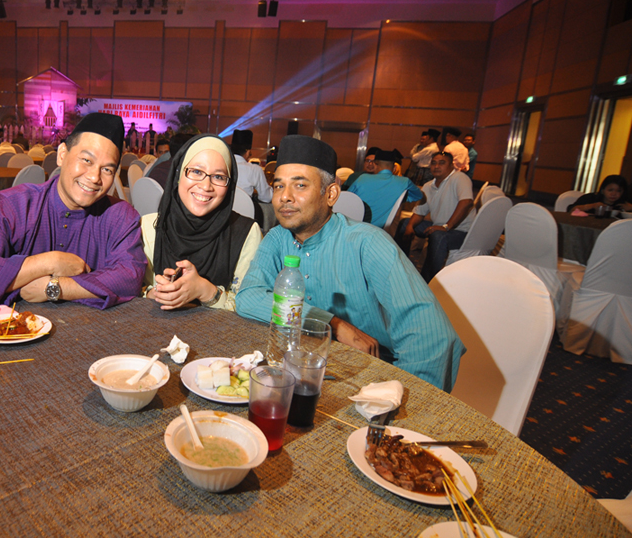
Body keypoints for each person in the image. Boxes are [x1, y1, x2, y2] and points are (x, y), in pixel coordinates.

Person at [236, 135, 464, 391]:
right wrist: (332, 323)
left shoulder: (368, 243)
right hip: (302, 372)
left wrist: (397, 396)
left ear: (330, 194)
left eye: (300, 185)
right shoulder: (277, 238)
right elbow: (248, 297)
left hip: (370, 376)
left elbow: (432, 338)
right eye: (278, 186)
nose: (284, 197)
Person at [0, 113, 147, 308]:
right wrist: (48, 262)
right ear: (62, 155)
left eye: (107, 170)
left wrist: (56, 288)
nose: (95, 177)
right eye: (87, 160)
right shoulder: (11, 206)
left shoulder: (120, 215)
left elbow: (130, 277)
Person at [142, 134, 262, 311]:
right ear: (178, 174)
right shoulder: (148, 227)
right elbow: (129, 292)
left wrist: (205, 291)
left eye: (219, 177)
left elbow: (252, 307)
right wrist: (155, 293)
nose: (206, 186)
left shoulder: (245, 233)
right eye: (197, 172)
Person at [395, 152, 476, 283]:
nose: (437, 166)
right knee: (405, 224)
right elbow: (420, 212)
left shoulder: (459, 178)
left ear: (451, 165)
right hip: (439, 227)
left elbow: (466, 202)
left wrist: (446, 226)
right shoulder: (428, 186)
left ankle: (428, 281)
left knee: (437, 235)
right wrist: (410, 226)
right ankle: (400, 268)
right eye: (434, 163)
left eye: (442, 163)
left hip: (462, 232)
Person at [348, 149, 422, 228]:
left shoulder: (362, 178)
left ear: (375, 164)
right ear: (394, 167)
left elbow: (348, 198)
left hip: (355, 226)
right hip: (381, 230)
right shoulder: (404, 182)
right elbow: (419, 196)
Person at [230, 129, 272, 203]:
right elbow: (266, 198)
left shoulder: (222, 166)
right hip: (245, 209)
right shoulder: (255, 169)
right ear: (248, 152)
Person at [567, 175, 632, 213]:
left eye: (618, 191)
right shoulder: (590, 198)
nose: (614, 194)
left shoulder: (625, 203)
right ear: (602, 190)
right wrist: (592, 206)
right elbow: (570, 210)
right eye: (610, 190)